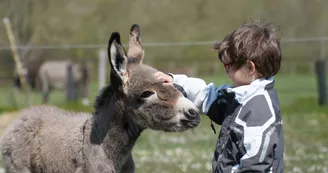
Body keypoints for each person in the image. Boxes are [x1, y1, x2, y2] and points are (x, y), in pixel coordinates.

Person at [154, 21, 284, 173]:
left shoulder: (259, 112)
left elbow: (255, 166)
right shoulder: (242, 97)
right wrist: (177, 83)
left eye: (229, 65)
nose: (226, 69)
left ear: (250, 68)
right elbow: (210, 98)